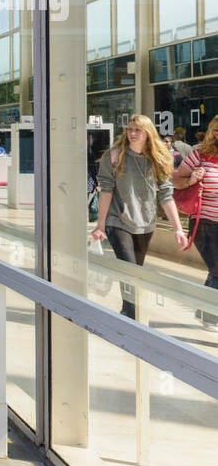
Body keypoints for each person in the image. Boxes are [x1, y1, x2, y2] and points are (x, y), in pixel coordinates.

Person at [92, 114, 185, 320]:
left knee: (136, 271)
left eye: (137, 130)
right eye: (130, 129)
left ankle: (127, 311)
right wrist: (100, 225)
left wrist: (178, 228)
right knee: (129, 267)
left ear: (148, 133)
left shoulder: (159, 159)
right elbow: (106, 191)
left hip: (146, 222)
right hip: (118, 220)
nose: (132, 133)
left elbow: (166, 195)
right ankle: (132, 317)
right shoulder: (114, 156)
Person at [174, 115, 218, 327]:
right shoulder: (200, 154)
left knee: (216, 271)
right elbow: (176, 178)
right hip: (205, 223)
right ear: (215, 133)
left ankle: (205, 312)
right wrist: (192, 179)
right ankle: (207, 313)